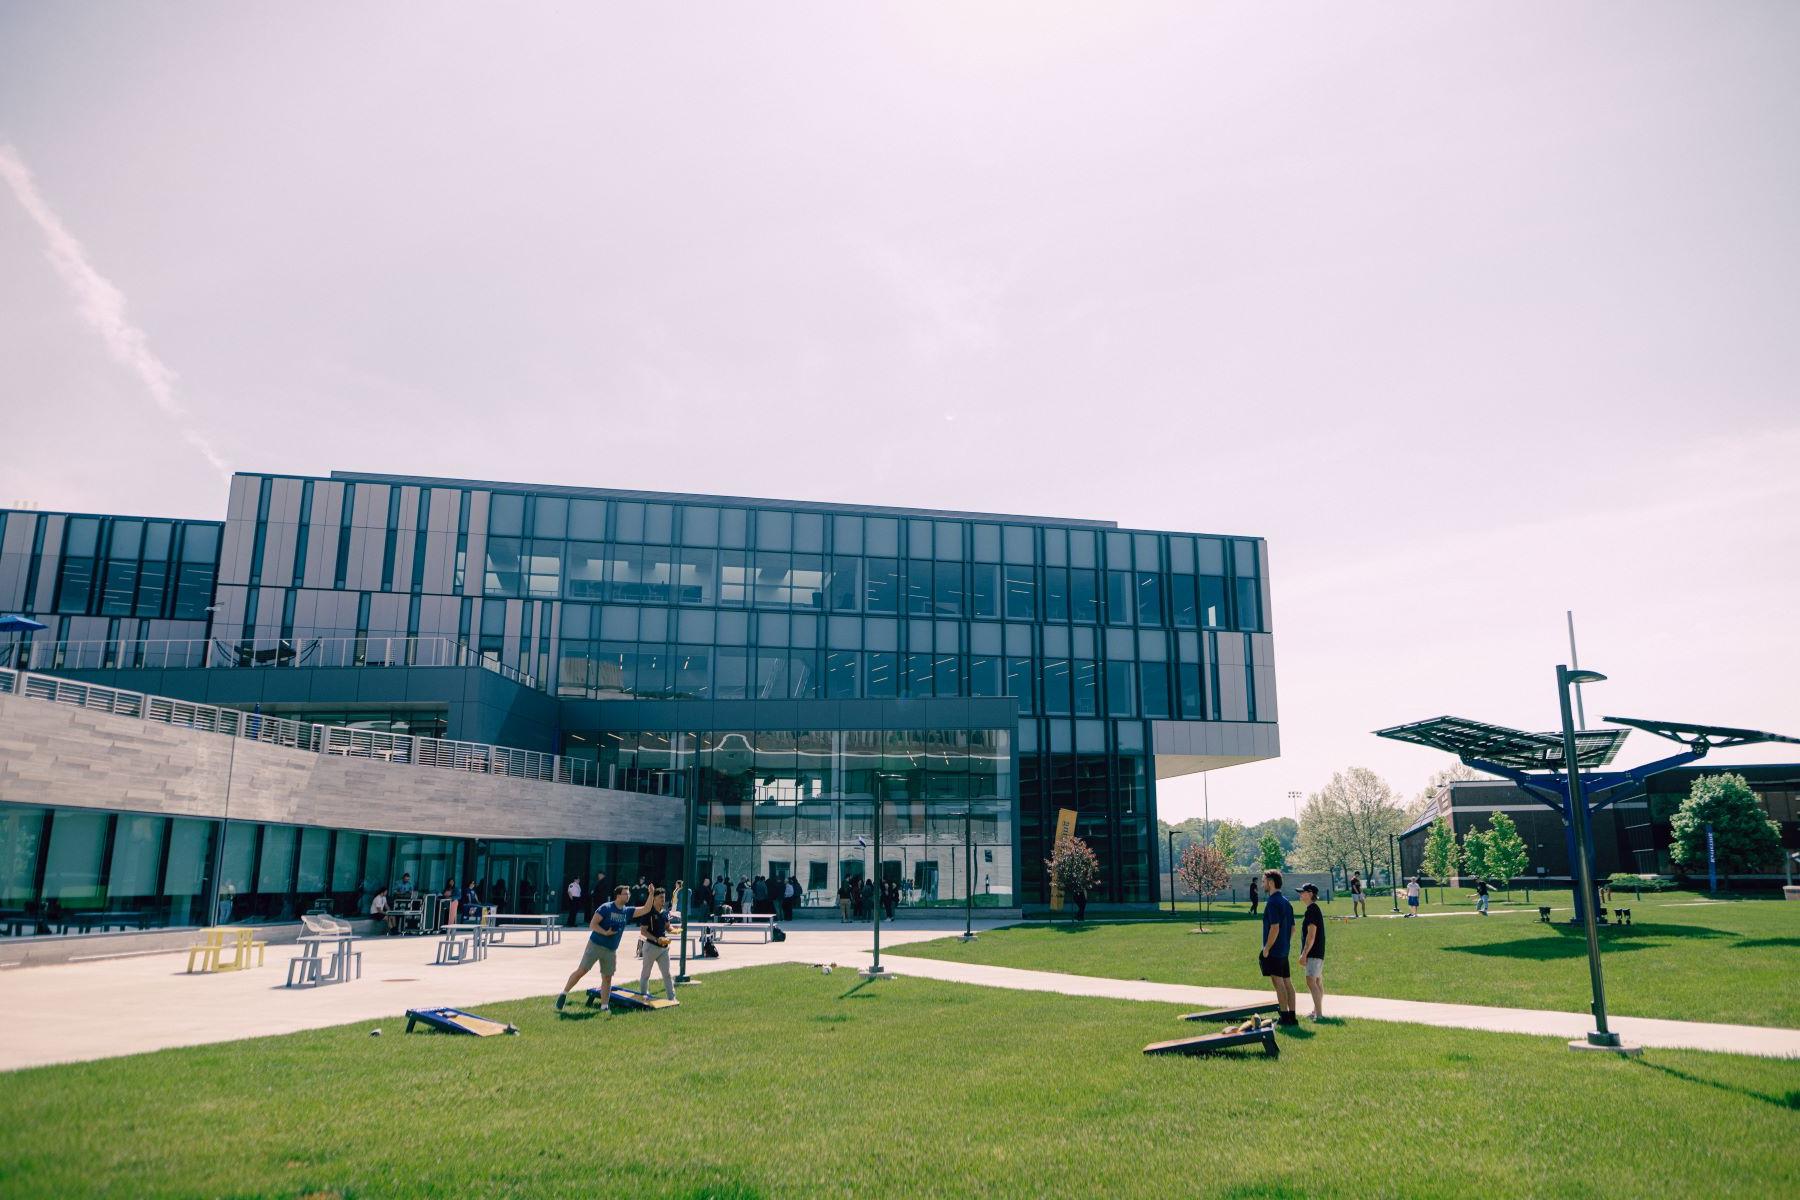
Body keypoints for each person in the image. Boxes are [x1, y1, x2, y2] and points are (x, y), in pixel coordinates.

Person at [558, 884, 656, 1013]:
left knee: (607, 977)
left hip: (611, 950)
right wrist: (605, 932)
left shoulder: (627, 911)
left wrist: (651, 894)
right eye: (625, 894)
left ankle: (604, 1006)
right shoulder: (606, 908)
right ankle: (564, 994)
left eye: (629, 894)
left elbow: (646, 909)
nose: (628, 896)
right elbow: (593, 925)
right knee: (582, 971)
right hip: (596, 945)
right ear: (618, 895)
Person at [1259, 869, 1297, 1026]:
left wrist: (1267, 948)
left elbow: (1275, 927)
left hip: (1274, 950)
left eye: (1264, 881)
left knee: (1278, 983)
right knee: (1287, 982)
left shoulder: (1273, 902)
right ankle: (1292, 1017)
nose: (1262, 884)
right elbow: (1293, 928)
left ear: (1271, 882)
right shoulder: (1286, 902)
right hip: (1284, 949)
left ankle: (1284, 1017)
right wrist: (1284, 943)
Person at [635, 888, 676, 1001]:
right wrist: (656, 939)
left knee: (667, 974)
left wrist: (674, 930)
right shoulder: (648, 912)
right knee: (646, 973)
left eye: (664, 897)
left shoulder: (665, 912)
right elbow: (643, 931)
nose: (663, 900)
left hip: (663, 948)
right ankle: (643, 996)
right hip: (650, 947)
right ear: (654, 899)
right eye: (661, 898)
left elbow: (668, 926)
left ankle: (672, 998)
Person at [1297, 882, 1326, 1020]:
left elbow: (1311, 935)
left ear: (1310, 894)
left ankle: (1319, 1015)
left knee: (1311, 981)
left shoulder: (1311, 910)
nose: (1300, 894)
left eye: (1302, 892)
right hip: (1318, 952)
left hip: (1314, 952)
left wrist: (1304, 954)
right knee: (1318, 982)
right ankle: (1316, 1011)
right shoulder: (1314, 909)